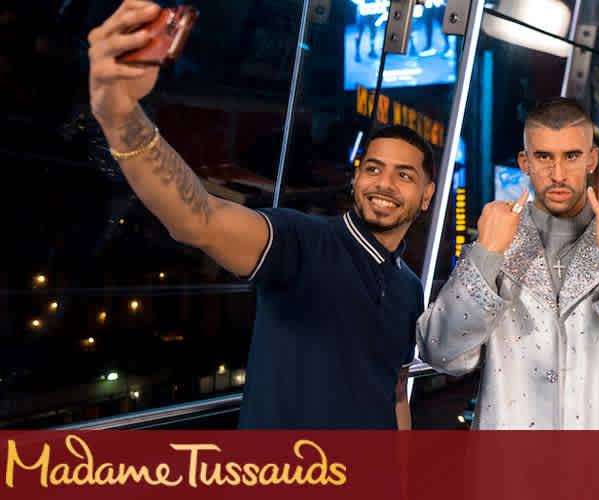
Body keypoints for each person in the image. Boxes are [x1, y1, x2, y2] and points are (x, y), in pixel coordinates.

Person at [87, 1, 435, 429]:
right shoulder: (303, 242)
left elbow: (396, 389)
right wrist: (119, 114)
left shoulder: (409, 287)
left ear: (426, 196)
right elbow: (197, 218)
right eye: (373, 169)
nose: (383, 184)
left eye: (403, 175)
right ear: (356, 179)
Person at [417, 97, 599, 429]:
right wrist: (486, 254)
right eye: (544, 157)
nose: (558, 174)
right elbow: (441, 352)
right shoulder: (492, 247)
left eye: (572, 156)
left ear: (592, 159)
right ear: (525, 162)